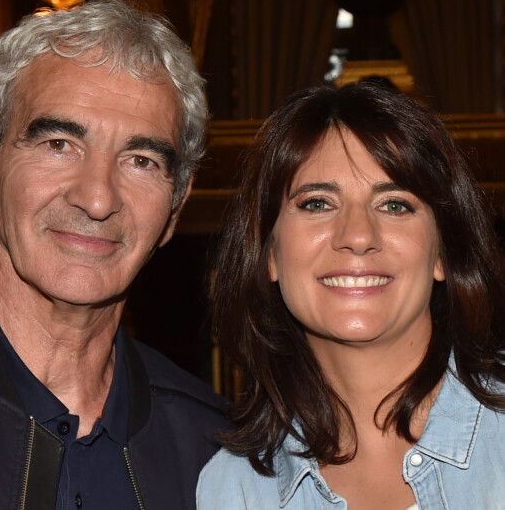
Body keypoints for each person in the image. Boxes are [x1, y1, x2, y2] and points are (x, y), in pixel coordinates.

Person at [0, 0, 229, 510]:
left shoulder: (218, 455)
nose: (97, 198)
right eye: (58, 144)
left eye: (140, 160)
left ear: (176, 207)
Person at [197, 81, 505, 509]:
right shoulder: (232, 491)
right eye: (317, 203)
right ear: (269, 253)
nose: (358, 236)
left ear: (442, 252)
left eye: (394, 204)